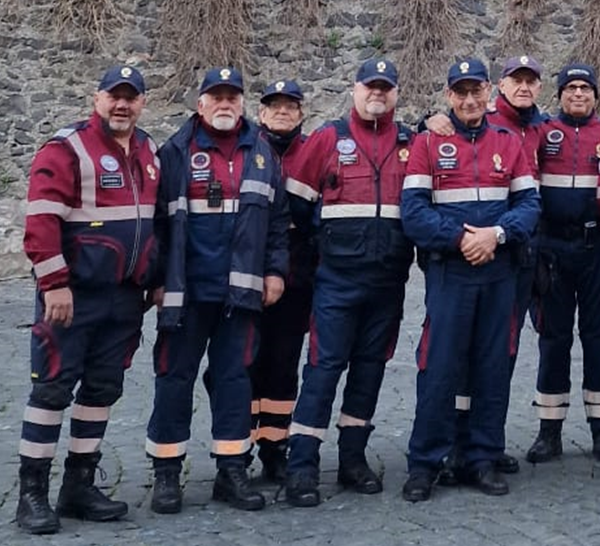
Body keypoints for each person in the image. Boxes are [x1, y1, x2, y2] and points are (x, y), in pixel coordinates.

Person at [16, 65, 158, 534]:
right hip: (72, 296)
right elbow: (40, 219)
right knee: (53, 389)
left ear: (141, 102)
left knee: (102, 391)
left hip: (124, 297)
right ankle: (31, 493)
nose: (122, 104)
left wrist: (154, 278)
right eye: (114, 96)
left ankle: (78, 486)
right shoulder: (67, 148)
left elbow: (154, 223)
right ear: (96, 98)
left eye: (131, 97)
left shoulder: (148, 151)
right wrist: (54, 282)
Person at [147, 67, 289, 514]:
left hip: (240, 295)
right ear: (200, 104)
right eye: (216, 97)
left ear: (243, 104)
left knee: (233, 382)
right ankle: (167, 474)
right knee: (174, 379)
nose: (225, 104)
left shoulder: (263, 153)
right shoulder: (175, 152)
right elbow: (156, 224)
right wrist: (154, 279)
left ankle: (232, 468)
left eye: (233, 97)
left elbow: (279, 223)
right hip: (186, 294)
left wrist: (276, 272)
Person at [400, 58, 540, 502]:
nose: (469, 100)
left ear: (487, 93)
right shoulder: (427, 144)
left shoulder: (508, 142)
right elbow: (414, 213)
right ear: (449, 96)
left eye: (476, 91)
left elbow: (529, 206)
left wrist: (496, 236)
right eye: (460, 92)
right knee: (439, 368)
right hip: (451, 272)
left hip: (499, 270)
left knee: (492, 367)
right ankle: (425, 462)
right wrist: (462, 239)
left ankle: (482, 457)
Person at [281, 58, 417, 507]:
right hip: (337, 281)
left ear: (396, 93)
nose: (377, 94)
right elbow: (295, 206)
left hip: (388, 282)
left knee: (370, 371)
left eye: (386, 87)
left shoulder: (409, 144)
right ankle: (301, 466)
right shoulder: (327, 139)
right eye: (370, 87)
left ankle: (353, 459)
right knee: (322, 370)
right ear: (354, 90)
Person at [523, 62, 600, 464]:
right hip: (552, 249)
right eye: (571, 88)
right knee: (554, 338)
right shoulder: (542, 132)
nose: (578, 94)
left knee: (598, 337)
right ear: (559, 94)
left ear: (596, 95)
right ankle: (550, 431)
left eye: (585, 88)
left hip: (599, 247)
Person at [249, 78, 312, 483]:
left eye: (290, 106)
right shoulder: (248, 150)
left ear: (302, 113)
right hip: (248, 272)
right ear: (261, 113)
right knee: (242, 364)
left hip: (298, 275)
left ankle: (274, 447)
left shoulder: (314, 150)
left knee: (284, 365)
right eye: (275, 106)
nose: (283, 112)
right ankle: (236, 445)